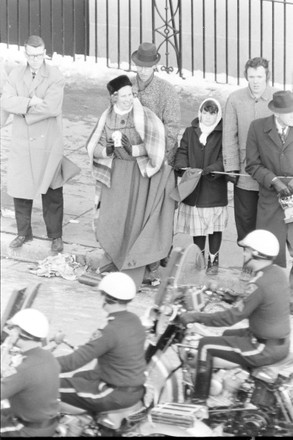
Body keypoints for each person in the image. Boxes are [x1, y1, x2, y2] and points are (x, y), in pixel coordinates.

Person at [179, 229, 291, 404]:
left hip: (264, 348)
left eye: (246, 249)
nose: (244, 253)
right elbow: (258, 302)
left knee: (205, 344)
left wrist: (195, 317)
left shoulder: (257, 284)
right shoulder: (276, 273)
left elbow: (230, 318)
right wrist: (231, 297)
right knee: (227, 336)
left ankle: (198, 402)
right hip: (277, 342)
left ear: (256, 253)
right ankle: (234, 389)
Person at [86, 74, 175, 289]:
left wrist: (132, 149)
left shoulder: (145, 116)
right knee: (113, 220)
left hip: (138, 175)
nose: (128, 98)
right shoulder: (106, 118)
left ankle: (137, 267)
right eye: (123, 95)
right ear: (113, 97)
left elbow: (157, 145)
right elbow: (92, 147)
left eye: (130, 94)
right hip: (115, 176)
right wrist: (106, 149)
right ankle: (113, 261)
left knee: (135, 221)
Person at [1, 35, 66, 253]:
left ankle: (56, 236)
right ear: (25, 54)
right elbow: (5, 101)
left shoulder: (55, 76)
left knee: (52, 190)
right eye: (31, 55)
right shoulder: (16, 74)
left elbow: (52, 107)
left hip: (48, 141)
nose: (35, 59)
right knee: (21, 188)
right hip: (22, 141)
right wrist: (29, 102)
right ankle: (23, 232)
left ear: (45, 53)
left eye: (39, 55)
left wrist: (22, 111)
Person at [57, 272, 147, 413]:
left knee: (47, 386)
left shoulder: (109, 330)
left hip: (113, 392)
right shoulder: (134, 320)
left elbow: (73, 362)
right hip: (133, 389)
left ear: (106, 298)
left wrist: (41, 364)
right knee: (79, 377)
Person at [222, 57, 279, 279]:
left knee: (266, 223)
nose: (255, 81)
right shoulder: (235, 99)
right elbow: (229, 136)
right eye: (252, 76)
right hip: (245, 175)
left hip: (269, 175)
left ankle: (265, 270)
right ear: (246, 76)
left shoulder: (277, 99)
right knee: (245, 220)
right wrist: (232, 168)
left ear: (267, 77)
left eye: (260, 77)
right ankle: (248, 265)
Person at [131, 42, 181, 272]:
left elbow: (172, 128)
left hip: (161, 160)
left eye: (147, 66)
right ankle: (137, 252)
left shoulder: (166, 91)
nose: (142, 70)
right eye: (139, 65)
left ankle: (161, 252)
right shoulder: (127, 87)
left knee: (159, 209)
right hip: (132, 159)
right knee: (137, 208)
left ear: (155, 66)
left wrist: (159, 156)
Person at [245, 90, 293, 296]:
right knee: (270, 249)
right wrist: (273, 181)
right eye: (290, 112)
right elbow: (252, 165)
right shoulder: (257, 128)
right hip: (269, 198)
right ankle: (272, 294)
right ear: (277, 113)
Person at [173, 98, 228, 275]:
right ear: (200, 113)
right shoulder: (190, 132)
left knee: (214, 228)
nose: (208, 117)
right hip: (194, 189)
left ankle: (213, 259)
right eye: (205, 113)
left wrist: (214, 169)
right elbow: (182, 151)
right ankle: (199, 256)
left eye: (212, 114)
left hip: (213, 190)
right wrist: (182, 166)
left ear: (217, 115)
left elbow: (225, 157)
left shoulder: (223, 134)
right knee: (198, 229)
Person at [1, 308, 60, 437]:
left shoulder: (24, 369)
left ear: (19, 332)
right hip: (46, 423)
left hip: (26, 430)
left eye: (12, 329)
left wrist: (7, 346)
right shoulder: (47, 356)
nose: (10, 332)